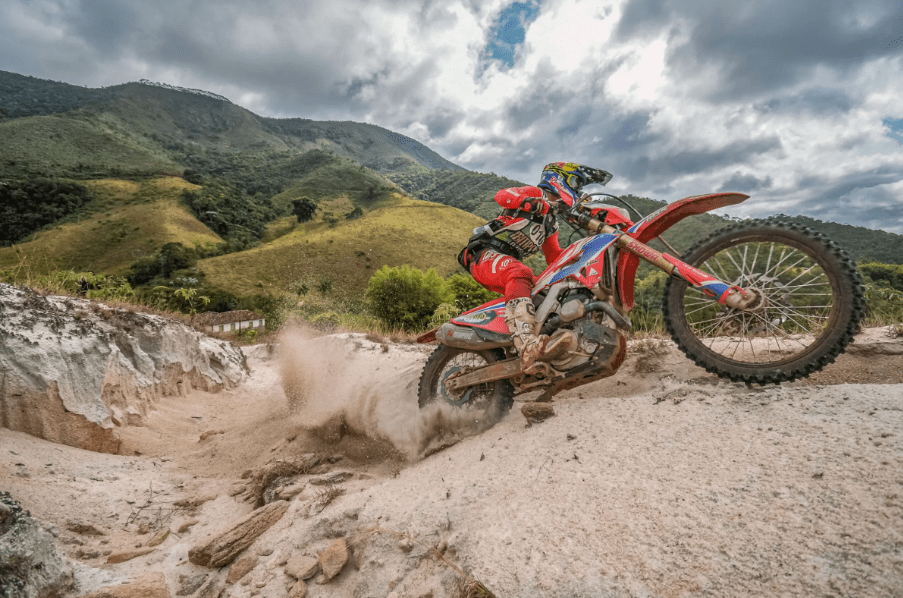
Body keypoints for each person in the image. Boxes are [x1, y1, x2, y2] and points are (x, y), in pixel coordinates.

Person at [457, 162, 611, 373]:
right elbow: (503, 195)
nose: (576, 190)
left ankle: (548, 341)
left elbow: (554, 257)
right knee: (522, 272)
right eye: (575, 183)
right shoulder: (536, 193)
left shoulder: (551, 223)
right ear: (558, 179)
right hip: (484, 253)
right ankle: (527, 345)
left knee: (551, 289)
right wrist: (533, 203)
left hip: (507, 264)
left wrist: (583, 255)